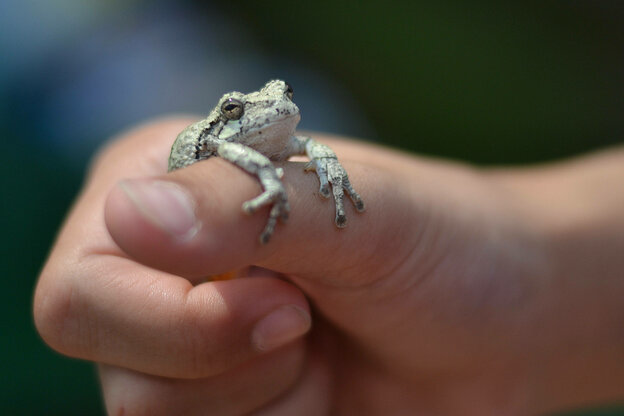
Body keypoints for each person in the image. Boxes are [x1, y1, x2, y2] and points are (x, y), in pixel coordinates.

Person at [33, 118, 624, 415]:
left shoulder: (287, 138)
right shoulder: (220, 143)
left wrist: (330, 177)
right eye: (248, 107)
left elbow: (313, 148)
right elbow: (242, 153)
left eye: (279, 97)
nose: (273, 110)